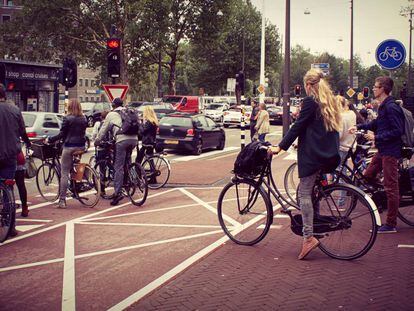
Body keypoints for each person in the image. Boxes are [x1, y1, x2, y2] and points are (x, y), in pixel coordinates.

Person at [269, 69, 341, 260]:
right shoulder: (329, 101)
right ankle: (315, 225)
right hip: (327, 154)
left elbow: (298, 125)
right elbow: (316, 128)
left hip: (313, 156)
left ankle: (308, 237)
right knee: (310, 192)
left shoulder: (310, 101)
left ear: (308, 86)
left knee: (304, 195)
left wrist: (280, 147)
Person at [349, 76, 404, 233]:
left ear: (383, 89)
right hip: (382, 150)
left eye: (375, 87)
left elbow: (397, 131)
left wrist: (376, 137)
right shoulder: (383, 106)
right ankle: (381, 196)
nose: (373, 89)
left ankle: (391, 224)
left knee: (391, 188)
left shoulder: (391, 107)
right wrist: (359, 126)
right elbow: (376, 124)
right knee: (367, 176)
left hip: (390, 152)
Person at [0, 83, 31, 236]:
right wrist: (28, 142)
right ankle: (10, 227)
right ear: (4, 95)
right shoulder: (14, 109)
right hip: (10, 155)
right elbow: (22, 131)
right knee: (9, 190)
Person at [95, 98, 139, 206]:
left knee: (118, 166)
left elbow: (103, 130)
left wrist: (97, 141)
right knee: (127, 161)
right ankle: (130, 181)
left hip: (122, 140)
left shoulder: (111, 114)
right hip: (134, 139)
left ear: (113, 105)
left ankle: (118, 193)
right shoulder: (129, 111)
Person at [47, 99, 87, 209]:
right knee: (74, 167)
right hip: (81, 146)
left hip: (69, 146)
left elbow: (62, 134)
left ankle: (62, 200)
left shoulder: (67, 118)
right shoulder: (84, 118)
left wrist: (50, 139)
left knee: (64, 172)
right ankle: (76, 185)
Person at [15, 150, 29, 217]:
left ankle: (7, 208)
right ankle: (24, 208)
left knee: (6, 184)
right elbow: (25, 139)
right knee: (21, 185)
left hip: (5, 158)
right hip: (19, 158)